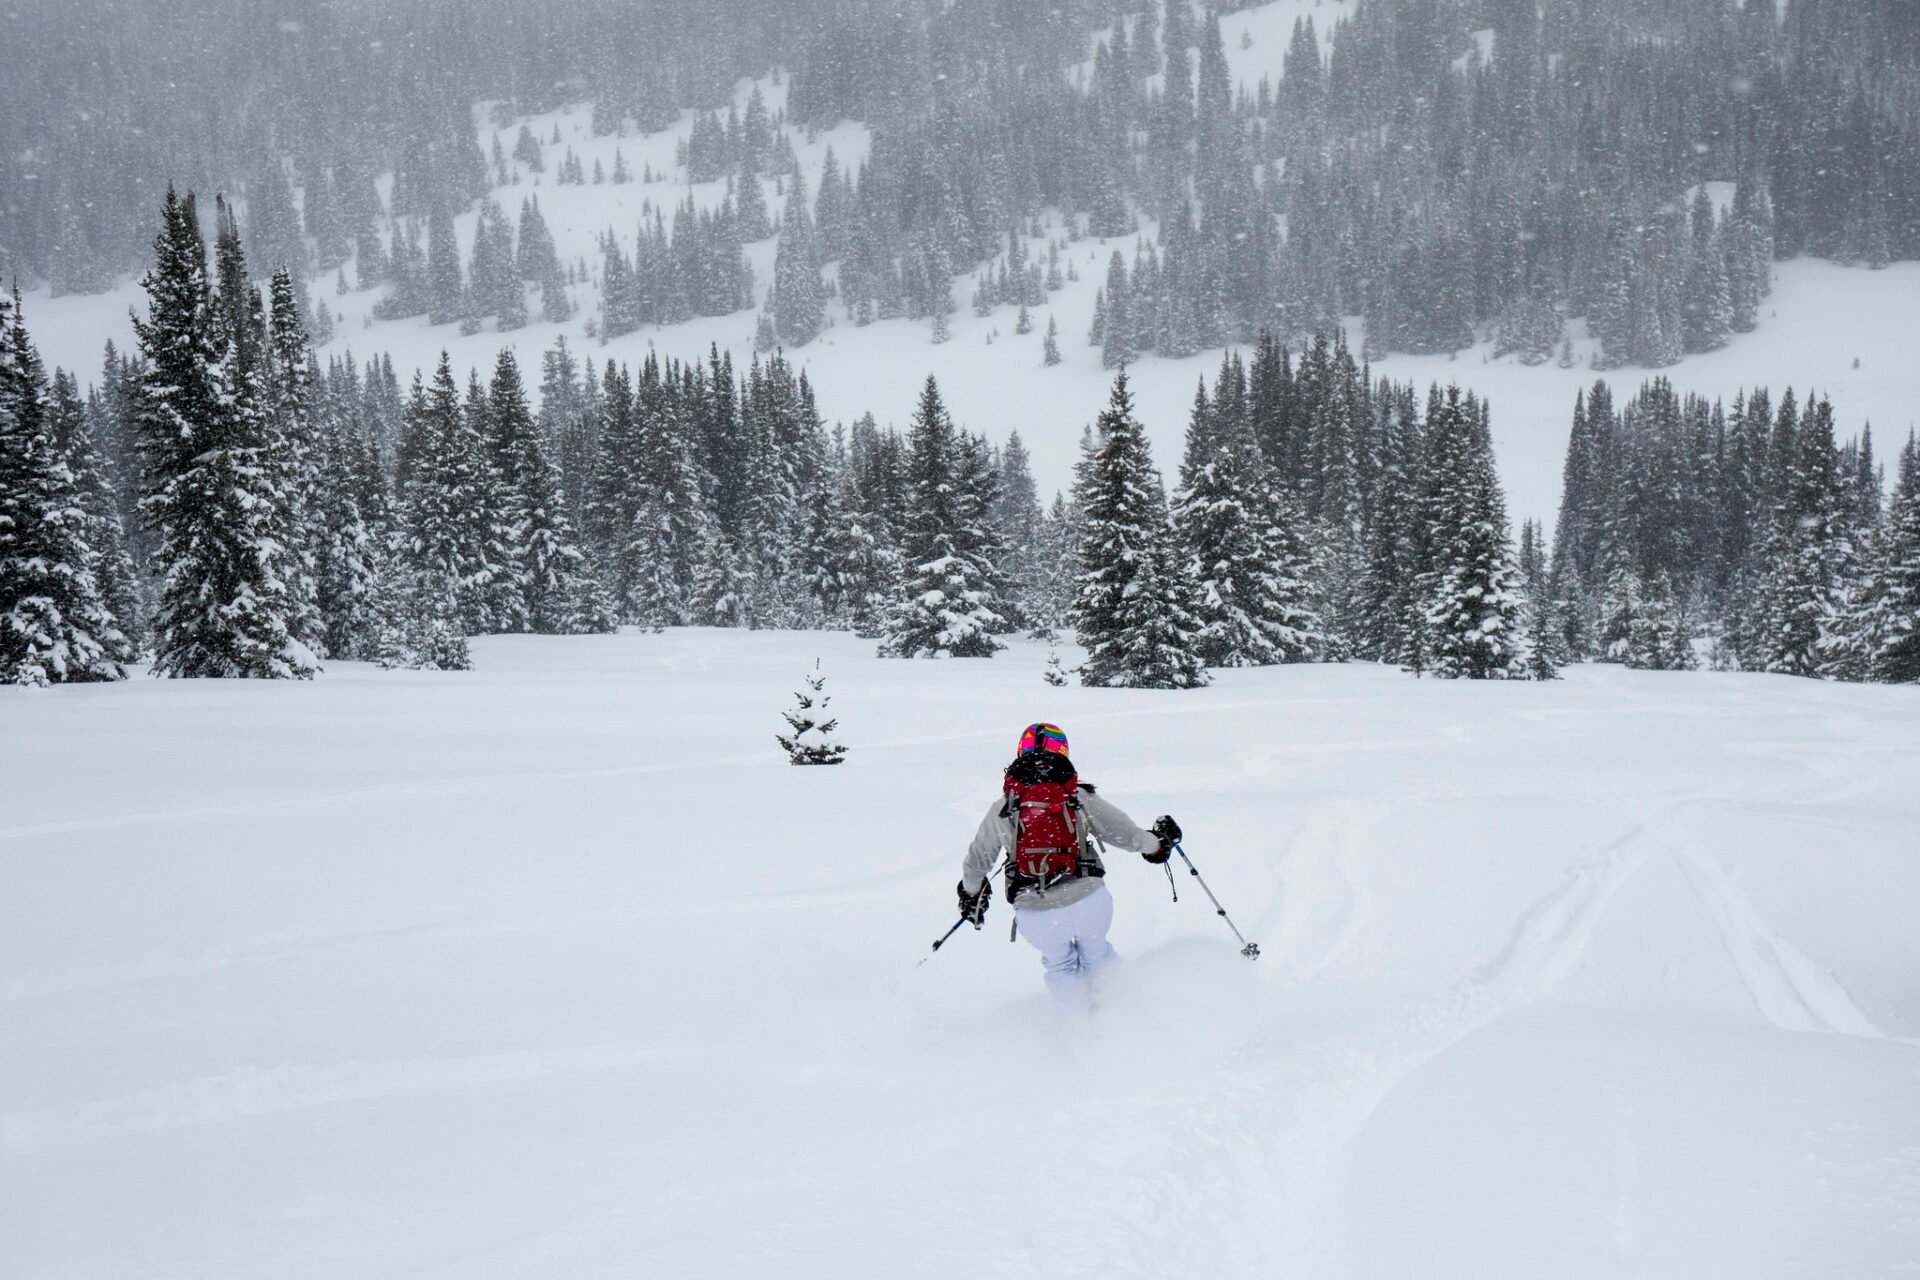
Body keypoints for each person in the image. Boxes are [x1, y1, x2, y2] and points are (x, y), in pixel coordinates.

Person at [957, 722, 1180, 1011]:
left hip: (1036, 913)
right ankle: (1123, 1017)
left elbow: (976, 863)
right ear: (1063, 751)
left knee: (1059, 967)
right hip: (1089, 900)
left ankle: (1080, 1030)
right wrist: (1159, 845)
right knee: (1097, 955)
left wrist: (972, 894)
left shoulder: (1003, 807)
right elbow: (1127, 836)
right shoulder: (1078, 797)